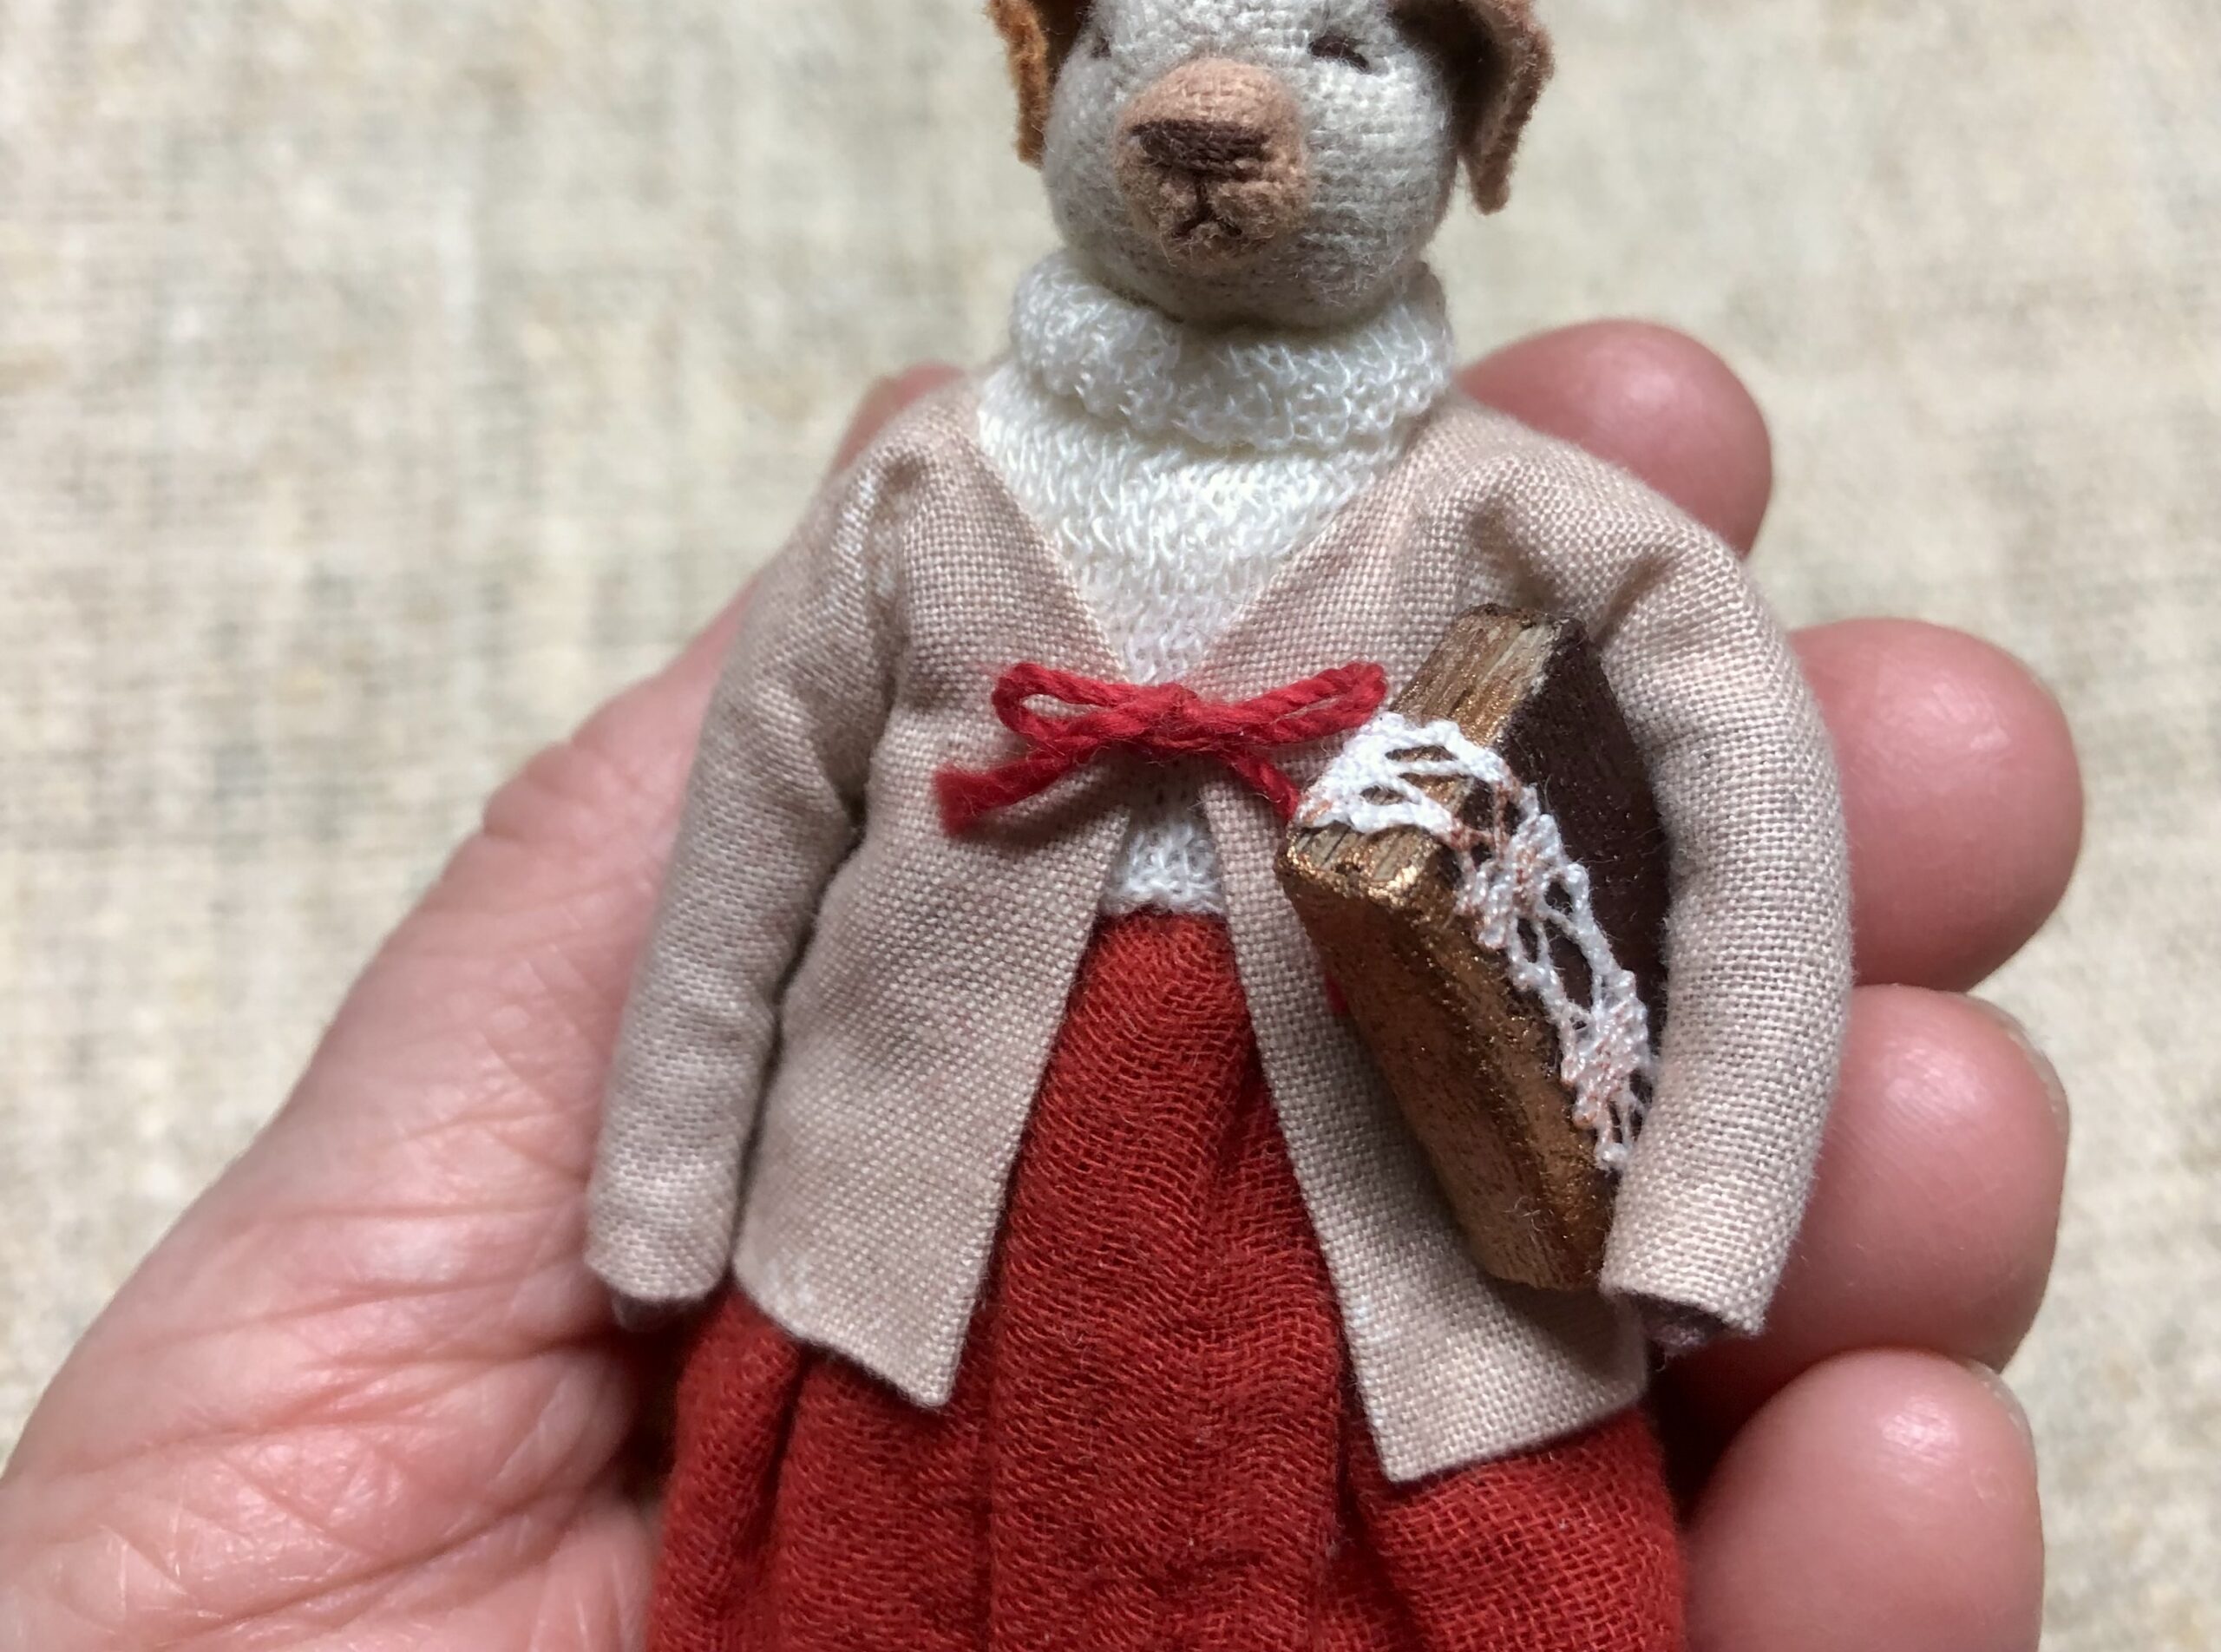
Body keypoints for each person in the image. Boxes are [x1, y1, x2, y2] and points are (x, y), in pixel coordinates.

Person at [0, 325, 2074, 1652]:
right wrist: (662, 1178)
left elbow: (1754, 811)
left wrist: (1702, 1201)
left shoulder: (1513, 514)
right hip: (916, 1220)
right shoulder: (928, 497)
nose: (1219, 132)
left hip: (1380, 1212)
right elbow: (742, 840)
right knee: (867, 1532)